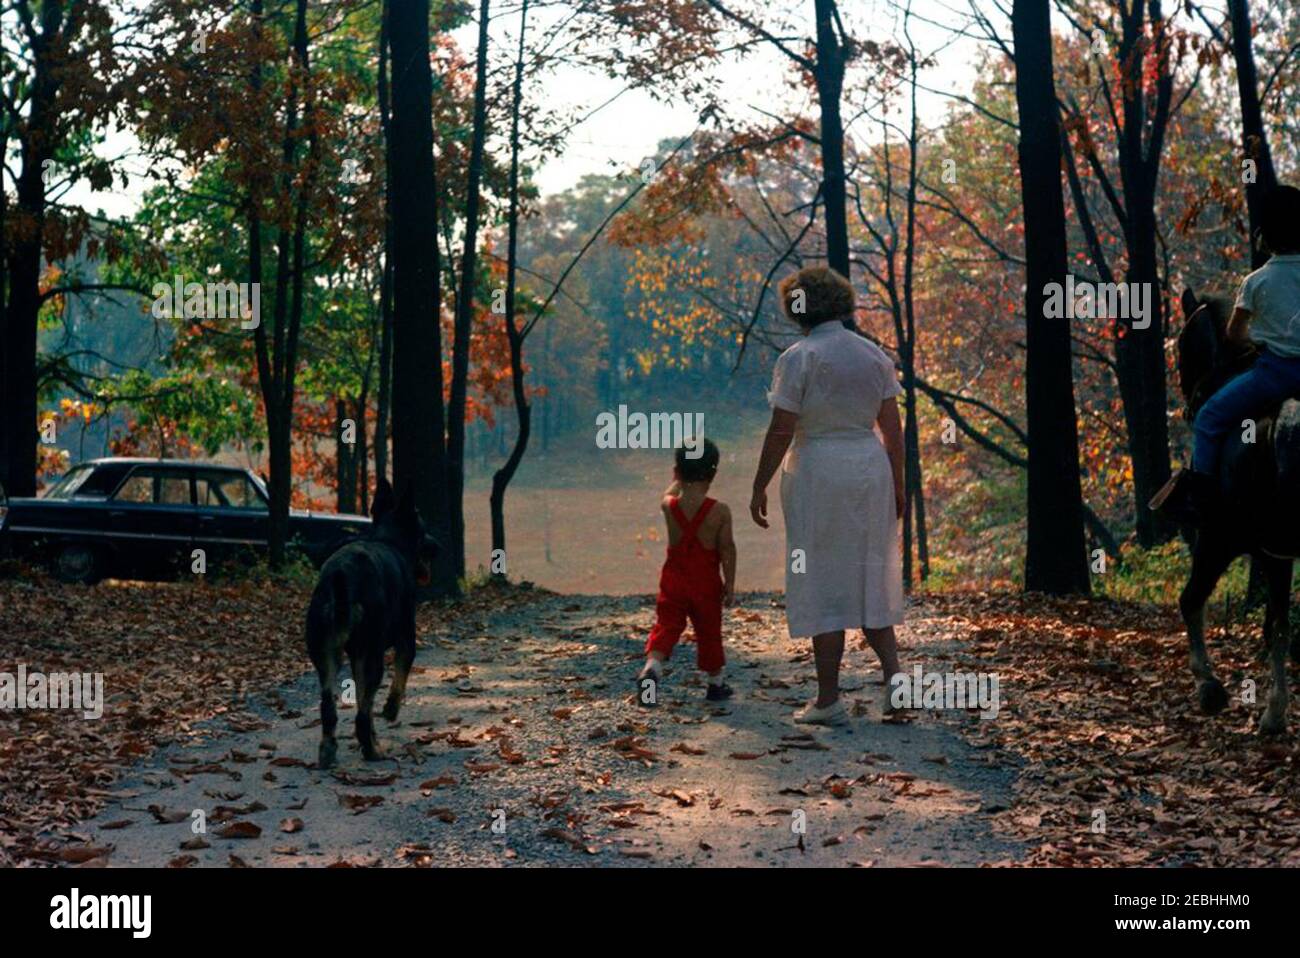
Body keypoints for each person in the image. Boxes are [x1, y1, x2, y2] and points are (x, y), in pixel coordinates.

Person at [750, 266, 906, 726]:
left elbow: (782, 430)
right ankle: (895, 684)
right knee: (869, 575)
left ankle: (828, 699)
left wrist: (759, 481)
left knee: (821, 575)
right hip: (868, 469)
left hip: (817, 470)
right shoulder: (873, 356)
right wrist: (899, 485)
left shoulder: (798, 358)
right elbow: (893, 434)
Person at [1161, 184, 1300, 518]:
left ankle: (1203, 503)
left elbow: (1235, 334)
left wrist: (1257, 338)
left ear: (1265, 236)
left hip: (1275, 377)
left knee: (1208, 417)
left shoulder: (1255, 282)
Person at [637, 439, 737, 703]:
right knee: (708, 631)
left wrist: (678, 477)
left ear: (677, 472)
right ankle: (715, 685)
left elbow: (668, 492)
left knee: (667, 626)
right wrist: (730, 584)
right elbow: (727, 549)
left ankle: (652, 669)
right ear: (713, 474)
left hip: (673, 579)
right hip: (705, 583)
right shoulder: (720, 511)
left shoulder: (669, 506)